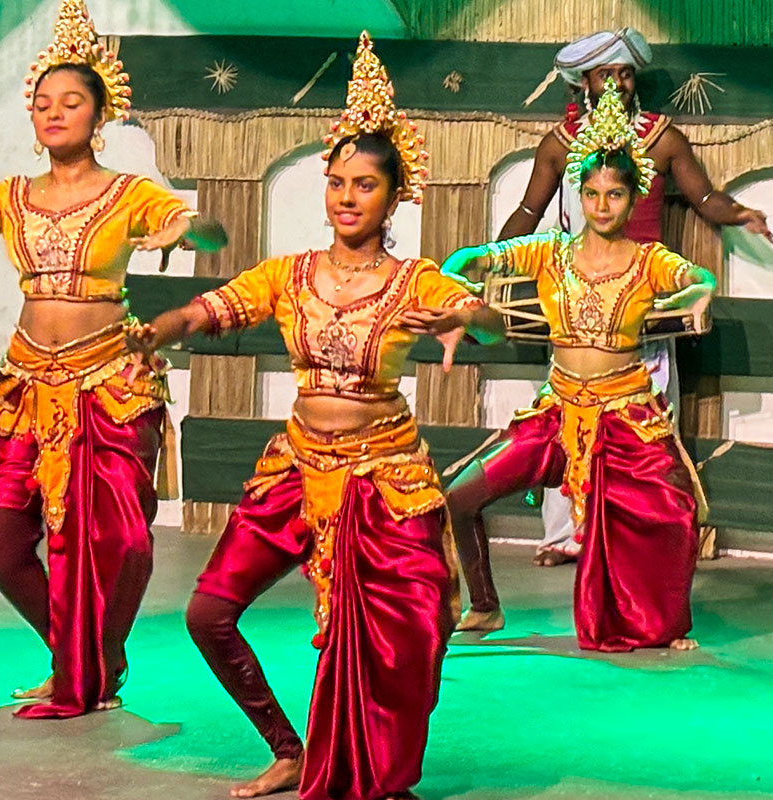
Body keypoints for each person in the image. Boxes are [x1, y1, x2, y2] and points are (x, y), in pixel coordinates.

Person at [144, 33, 502, 800]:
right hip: (298, 469)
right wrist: (155, 330)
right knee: (208, 612)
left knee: (411, 641)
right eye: (336, 182)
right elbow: (213, 308)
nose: (346, 197)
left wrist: (467, 315)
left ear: (394, 194)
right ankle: (290, 748)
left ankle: (379, 775)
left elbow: (490, 321)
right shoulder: (290, 273)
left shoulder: (415, 280)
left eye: (364, 185)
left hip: (383, 478)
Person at [0, 0, 226, 719]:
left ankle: (94, 659)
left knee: (119, 540)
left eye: (70, 102)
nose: (53, 113)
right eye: (41, 104)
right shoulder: (15, 196)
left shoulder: (130, 195)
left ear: (100, 116)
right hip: (29, 381)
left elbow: (194, 225)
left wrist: (194, 230)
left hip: (111, 383)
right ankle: (80, 657)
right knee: (2, 541)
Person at [438, 82, 719, 646]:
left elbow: (696, 277)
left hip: (625, 415)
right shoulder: (552, 250)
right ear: (581, 195)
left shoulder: (649, 259)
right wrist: (458, 270)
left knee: (675, 512)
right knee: (459, 496)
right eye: (591, 194)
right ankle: (485, 605)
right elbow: (479, 255)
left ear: (635, 196)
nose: (601, 206)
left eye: (614, 195)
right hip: (558, 411)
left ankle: (657, 625)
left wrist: (701, 288)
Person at [501, 28, 773, 569]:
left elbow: (705, 198)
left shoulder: (662, 139)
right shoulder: (559, 144)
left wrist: (740, 214)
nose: (619, 84)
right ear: (585, 82)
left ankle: (636, 535)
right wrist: (488, 257)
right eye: (608, 75)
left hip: (640, 299)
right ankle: (565, 536)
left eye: (626, 74)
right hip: (577, 298)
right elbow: (529, 215)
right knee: (566, 421)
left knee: (647, 420)